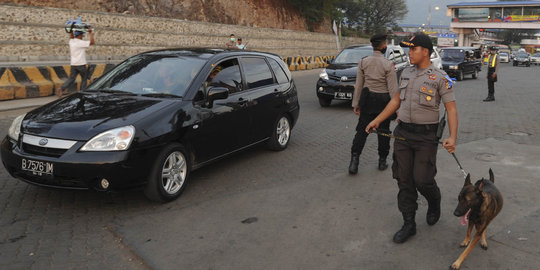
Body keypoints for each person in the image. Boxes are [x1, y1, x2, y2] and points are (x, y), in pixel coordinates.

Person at [365, 33, 458, 244]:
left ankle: (434, 201)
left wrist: (452, 137)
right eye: (408, 49)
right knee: (404, 179)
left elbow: (451, 109)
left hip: (426, 137)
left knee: (423, 180)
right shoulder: (405, 73)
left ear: (425, 51)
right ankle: (409, 223)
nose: (409, 53)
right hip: (403, 134)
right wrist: (378, 120)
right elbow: (396, 100)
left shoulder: (441, 77)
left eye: (413, 49)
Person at [348, 34, 398, 174]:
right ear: (383, 46)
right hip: (384, 103)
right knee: (384, 132)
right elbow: (393, 89)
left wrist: (356, 104)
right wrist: (396, 108)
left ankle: (354, 162)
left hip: (368, 101)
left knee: (362, 131)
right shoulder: (388, 64)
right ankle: (382, 162)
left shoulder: (363, 62)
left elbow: (359, 85)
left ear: (372, 46)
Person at [57, 27, 95, 96]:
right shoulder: (81, 43)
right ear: (80, 35)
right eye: (82, 35)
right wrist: (90, 33)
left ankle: (62, 89)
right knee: (84, 78)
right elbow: (92, 42)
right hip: (81, 64)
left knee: (71, 79)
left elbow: (71, 37)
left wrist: (71, 30)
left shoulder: (71, 42)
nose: (82, 36)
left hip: (73, 64)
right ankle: (82, 92)